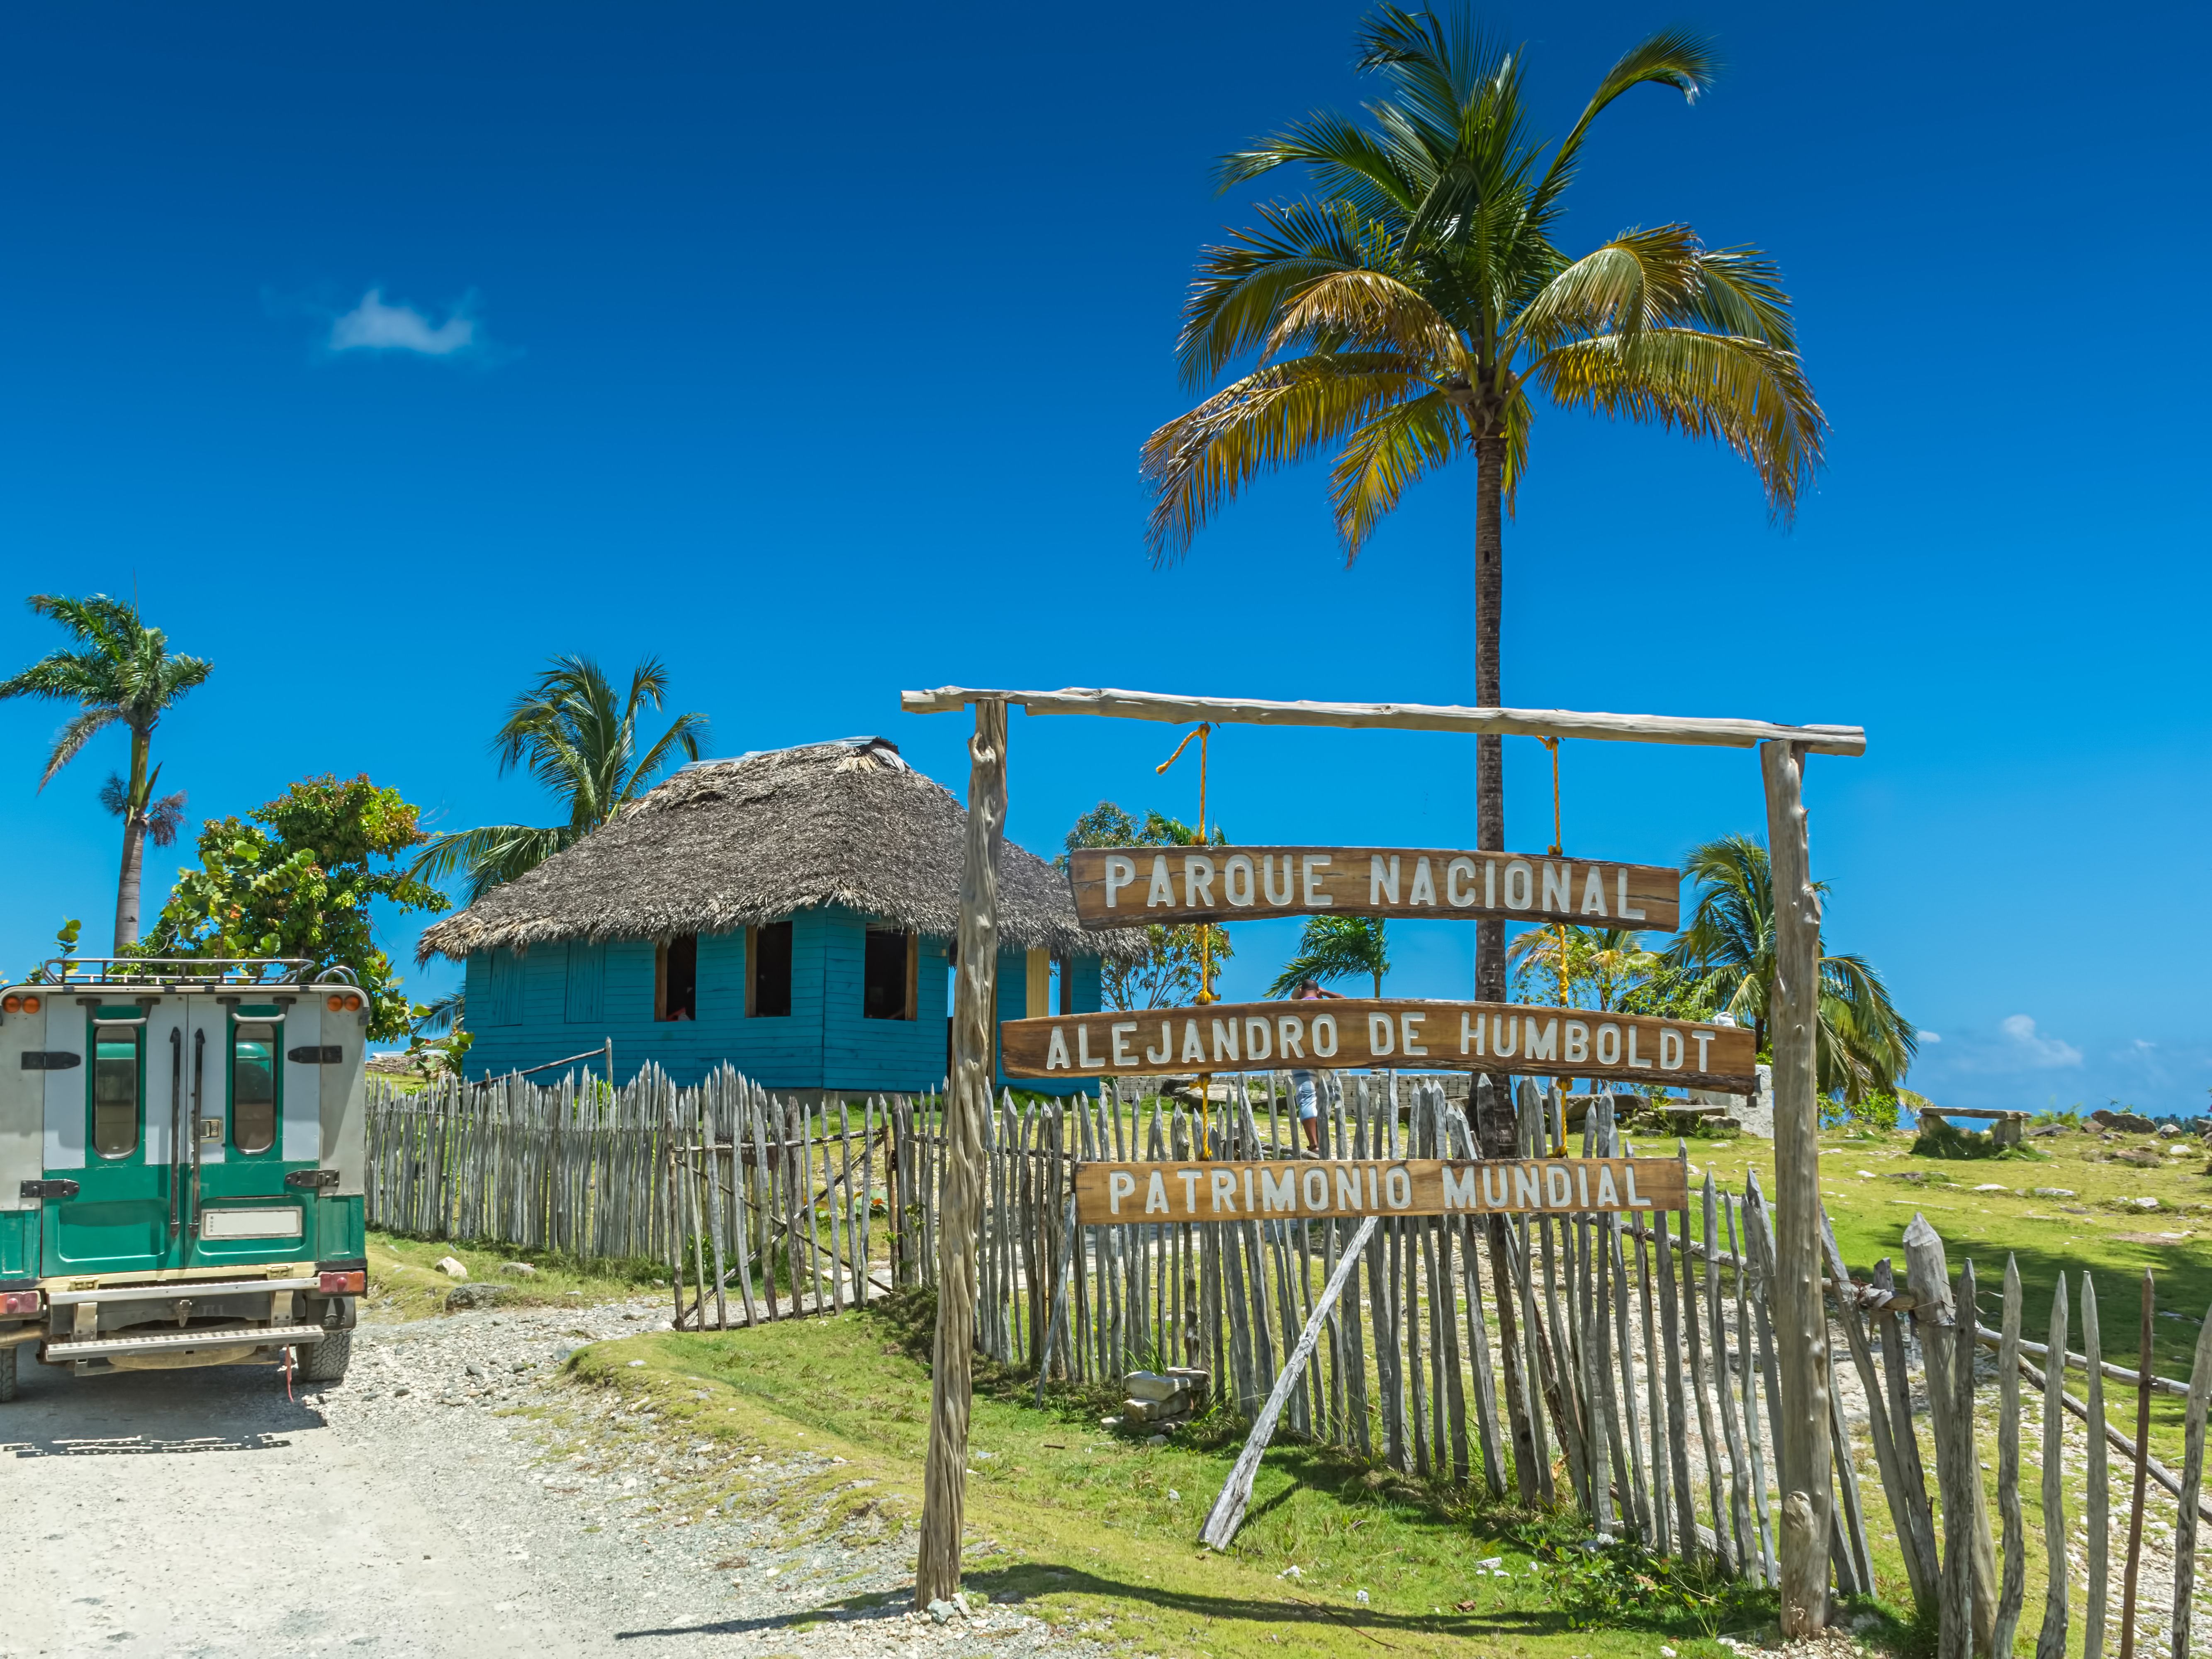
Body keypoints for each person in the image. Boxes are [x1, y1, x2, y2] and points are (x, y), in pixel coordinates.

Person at [1288, 976, 1343, 1152]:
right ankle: (1323, 1140)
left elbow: (1287, 1004)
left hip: (1302, 1056)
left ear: (1302, 992)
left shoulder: (1294, 1007)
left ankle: (1315, 1144)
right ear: (1318, 992)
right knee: (1325, 1097)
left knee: (1307, 1097)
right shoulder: (1328, 1005)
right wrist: (1325, 993)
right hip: (1328, 1056)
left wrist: (1296, 995)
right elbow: (1348, 1002)